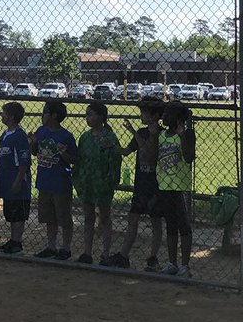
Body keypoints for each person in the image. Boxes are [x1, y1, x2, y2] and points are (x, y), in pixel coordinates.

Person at [111, 99, 164, 268]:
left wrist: (133, 132)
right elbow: (127, 151)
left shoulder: (161, 134)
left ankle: (153, 257)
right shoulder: (141, 132)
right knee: (132, 218)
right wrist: (112, 146)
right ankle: (123, 255)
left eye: (145, 113)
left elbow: (149, 153)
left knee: (155, 221)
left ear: (155, 116)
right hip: (141, 184)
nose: (141, 116)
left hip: (156, 185)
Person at [73, 101, 122, 263]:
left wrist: (112, 179)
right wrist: (78, 178)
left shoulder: (110, 137)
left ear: (101, 117)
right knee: (88, 216)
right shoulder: (85, 137)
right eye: (86, 114)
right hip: (87, 181)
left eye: (91, 114)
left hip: (103, 182)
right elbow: (79, 160)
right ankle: (87, 252)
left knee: (105, 217)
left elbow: (116, 160)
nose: (87, 118)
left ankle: (105, 253)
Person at [30, 99, 77, 260]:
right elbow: (34, 152)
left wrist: (64, 154)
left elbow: (74, 159)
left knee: (64, 218)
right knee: (49, 218)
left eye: (45, 112)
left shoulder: (65, 136)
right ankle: (51, 246)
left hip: (60, 183)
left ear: (54, 115)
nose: (42, 115)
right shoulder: (41, 131)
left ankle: (65, 248)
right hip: (44, 181)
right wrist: (33, 143)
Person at [153, 101, 195, 277]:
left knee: (183, 225)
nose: (165, 118)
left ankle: (185, 265)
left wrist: (183, 134)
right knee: (170, 224)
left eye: (170, 115)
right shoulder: (162, 135)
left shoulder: (187, 134)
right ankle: (172, 263)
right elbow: (155, 156)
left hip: (181, 185)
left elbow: (188, 157)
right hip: (164, 184)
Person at [0, 101, 31, 254]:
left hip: (16, 180)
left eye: (4, 113)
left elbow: (24, 162)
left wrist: (18, 181)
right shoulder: (5, 134)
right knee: (10, 212)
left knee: (18, 213)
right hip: (6, 179)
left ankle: (17, 241)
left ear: (11, 116)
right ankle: (12, 240)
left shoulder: (19, 136)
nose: (1, 115)